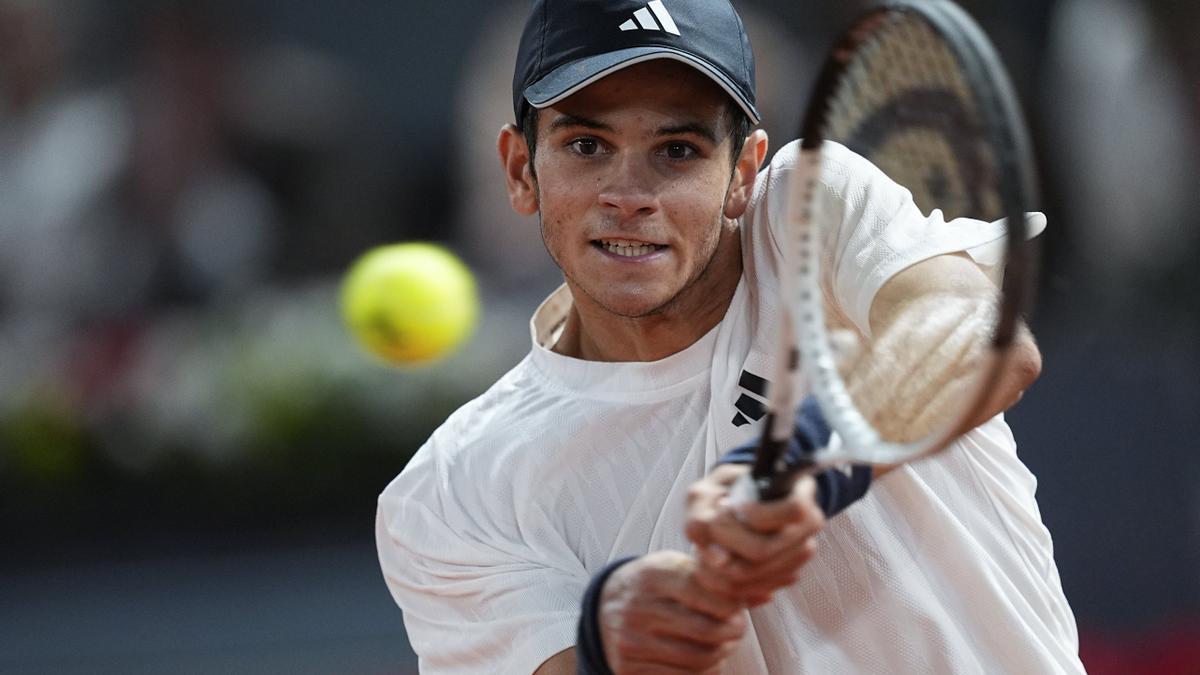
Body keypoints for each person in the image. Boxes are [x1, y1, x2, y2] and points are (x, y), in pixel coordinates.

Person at [376, 0, 1083, 672]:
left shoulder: (807, 211)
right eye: (587, 144)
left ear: (742, 174)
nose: (628, 194)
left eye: (677, 149)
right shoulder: (450, 492)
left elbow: (979, 338)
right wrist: (607, 637)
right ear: (521, 170)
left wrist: (799, 460)